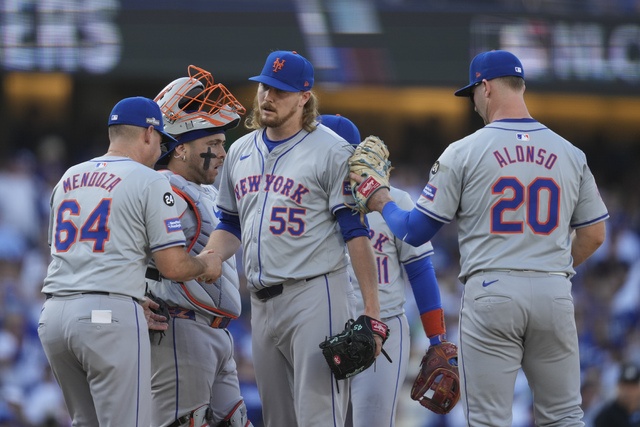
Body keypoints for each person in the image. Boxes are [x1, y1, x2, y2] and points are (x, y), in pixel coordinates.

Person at [351, 50, 609, 426]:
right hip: (553, 289)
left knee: (489, 420)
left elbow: (413, 230)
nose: (472, 103)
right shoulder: (570, 153)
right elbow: (596, 234)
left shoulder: (465, 151)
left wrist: (382, 199)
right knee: (565, 417)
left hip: (493, 290)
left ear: (486, 87)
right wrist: (548, 266)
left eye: (473, 92)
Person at [201, 50, 384, 427]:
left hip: (314, 295)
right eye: (265, 87)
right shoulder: (240, 150)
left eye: (280, 91)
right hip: (262, 305)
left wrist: (372, 311)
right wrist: (209, 258)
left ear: (304, 97)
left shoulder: (332, 150)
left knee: (320, 417)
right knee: (277, 419)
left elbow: (355, 232)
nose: (268, 97)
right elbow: (230, 224)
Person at [37, 96, 221, 426]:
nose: (160, 150)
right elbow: (174, 266)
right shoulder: (149, 179)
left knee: (85, 421)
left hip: (53, 318)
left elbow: (62, 251)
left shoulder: (69, 176)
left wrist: (132, 299)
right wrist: (206, 264)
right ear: (149, 134)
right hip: (107, 318)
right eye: (161, 140)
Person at [319, 114, 450, 427]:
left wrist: (437, 339)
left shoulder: (394, 200)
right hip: (321, 323)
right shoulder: (306, 202)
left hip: (382, 327)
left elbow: (420, 271)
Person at [145, 66, 254, 427]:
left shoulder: (204, 189)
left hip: (216, 332)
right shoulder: (164, 188)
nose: (222, 152)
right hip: (180, 327)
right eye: (213, 144)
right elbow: (126, 248)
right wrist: (128, 296)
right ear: (180, 149)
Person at [594, 362, 640, 427]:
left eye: (632, 386)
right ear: (618, 387)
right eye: (625, 385)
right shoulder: (606, 417)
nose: (628, 391)